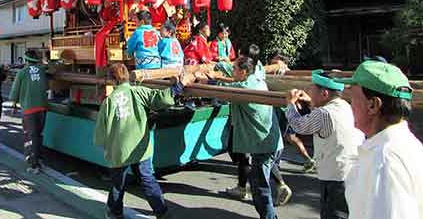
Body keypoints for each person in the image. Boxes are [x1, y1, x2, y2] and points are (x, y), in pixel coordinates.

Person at [94, 63, 192, 219]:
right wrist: (179, 85)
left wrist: (106, 148)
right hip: (140, 147)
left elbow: (101, 132)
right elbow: (162, 98)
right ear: (127, 76)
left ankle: (115, 213)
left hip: (120, 150)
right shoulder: (139, 92)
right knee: (147, 179)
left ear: (112, 80)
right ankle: (162, 212)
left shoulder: (109, 102)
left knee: (118, 183)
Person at [337, 60, 423, 219]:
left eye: (353, 99)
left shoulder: (384, 160)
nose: (350, 106)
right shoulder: (405, 146)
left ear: (373, 105)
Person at [285, 70, 364, 219]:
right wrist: (310, 102)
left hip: (336, 177)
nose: (308, 91)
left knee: (333, 214)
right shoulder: (344, 106)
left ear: (324, 94)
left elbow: (299, 125)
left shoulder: (324, 113)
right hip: (351, 172)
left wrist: (290, 104)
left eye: (312, 89)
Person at [216, 56, 283, 219]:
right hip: (272, 141)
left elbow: (222, 91)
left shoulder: (244, 87)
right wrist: (219, 64)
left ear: (244, 72)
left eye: (234, 69)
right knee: (260, 184)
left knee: (259, 190)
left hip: (263, 145)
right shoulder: (257, 75)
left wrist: (210, 79)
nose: (232, 71)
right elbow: (253, 67)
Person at [9, 50, 49, 174]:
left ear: (26, 61)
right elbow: (46, 87)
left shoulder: (22, 73)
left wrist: (14, 105)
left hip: (29, 109)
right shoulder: (42, 70)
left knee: (30, 136)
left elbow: (14, 92)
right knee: (38, 134)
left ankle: (34, 164)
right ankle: (39, 158)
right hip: (42, 108)